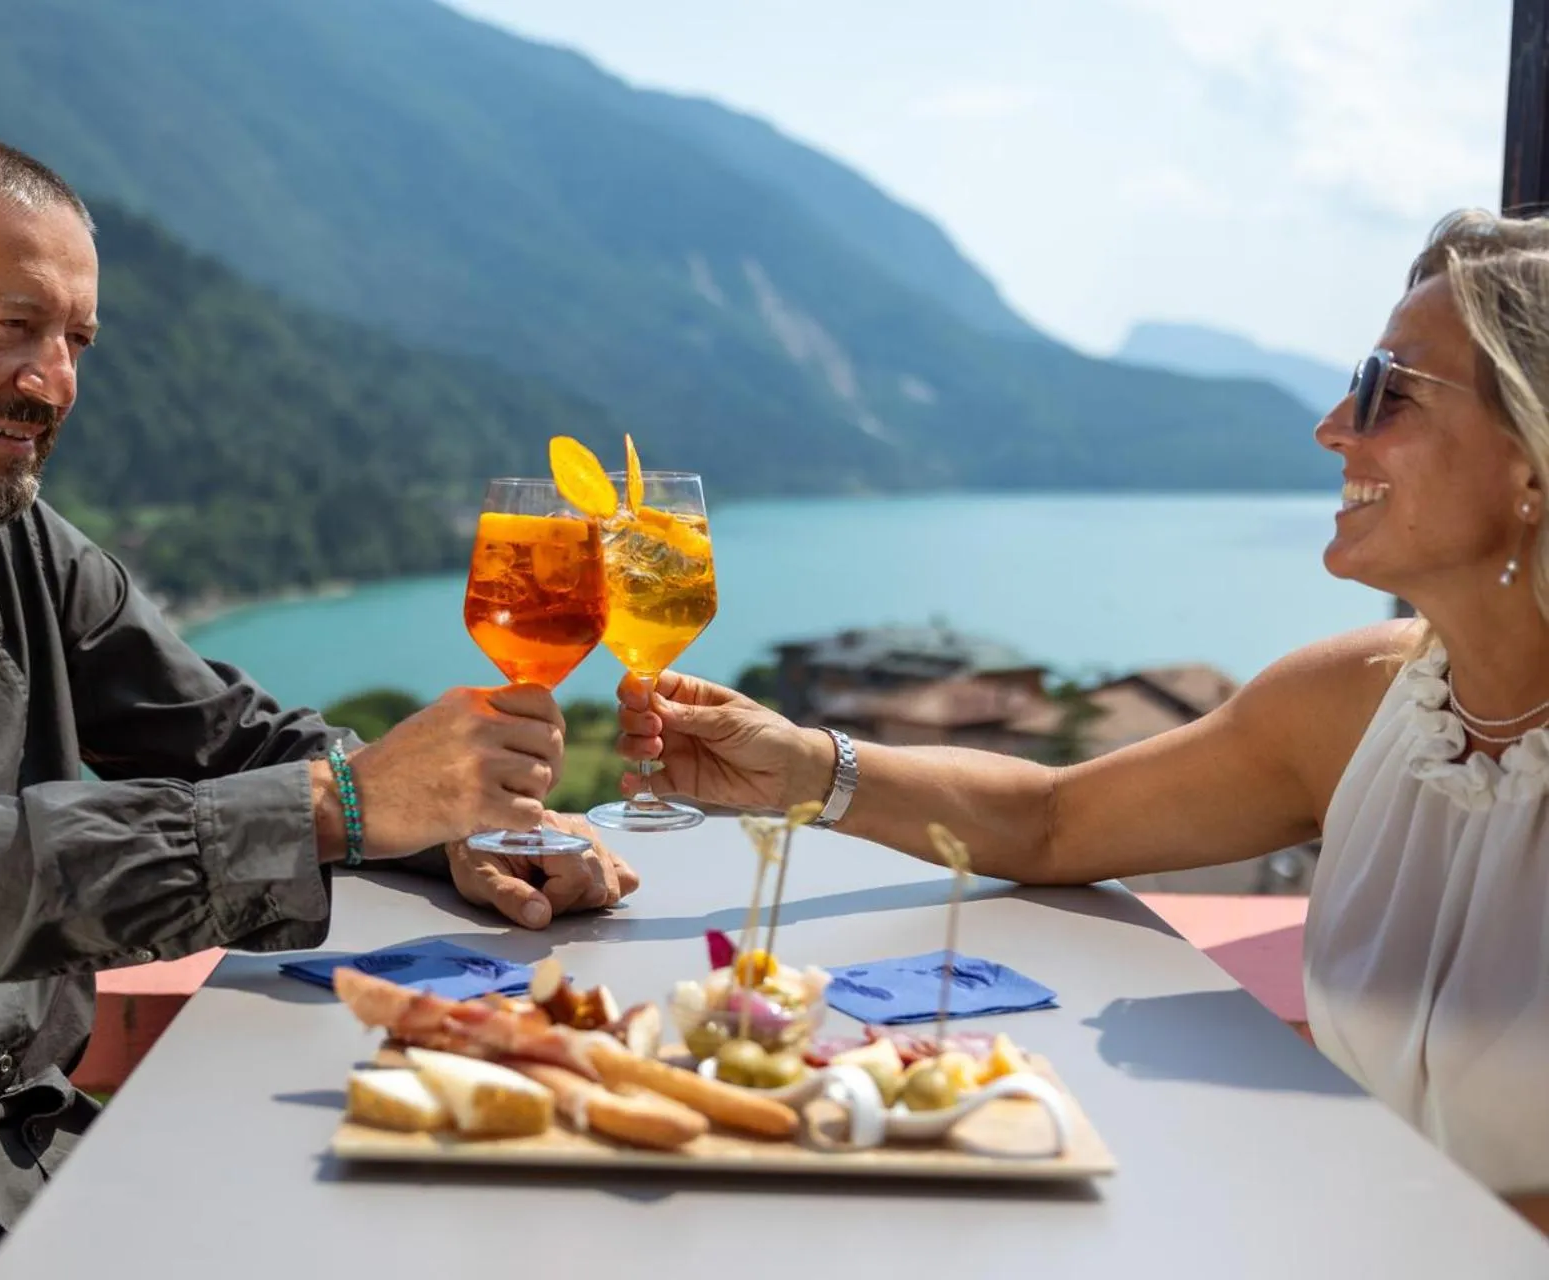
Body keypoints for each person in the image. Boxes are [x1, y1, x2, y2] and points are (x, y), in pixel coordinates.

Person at [0, 132, 635, 1277]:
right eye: (10, 324)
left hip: (41, 1157)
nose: (52, 379)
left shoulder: (24, 546)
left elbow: (233, 739)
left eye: (76, 340)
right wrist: (346, 804)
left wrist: (449, 825)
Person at [615, 208, 1549, 1232]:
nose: (1333, 424)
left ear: (1531, 460)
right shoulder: (1359, 701)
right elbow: (1057, 820)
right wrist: (799, 765)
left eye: (1388, 388)